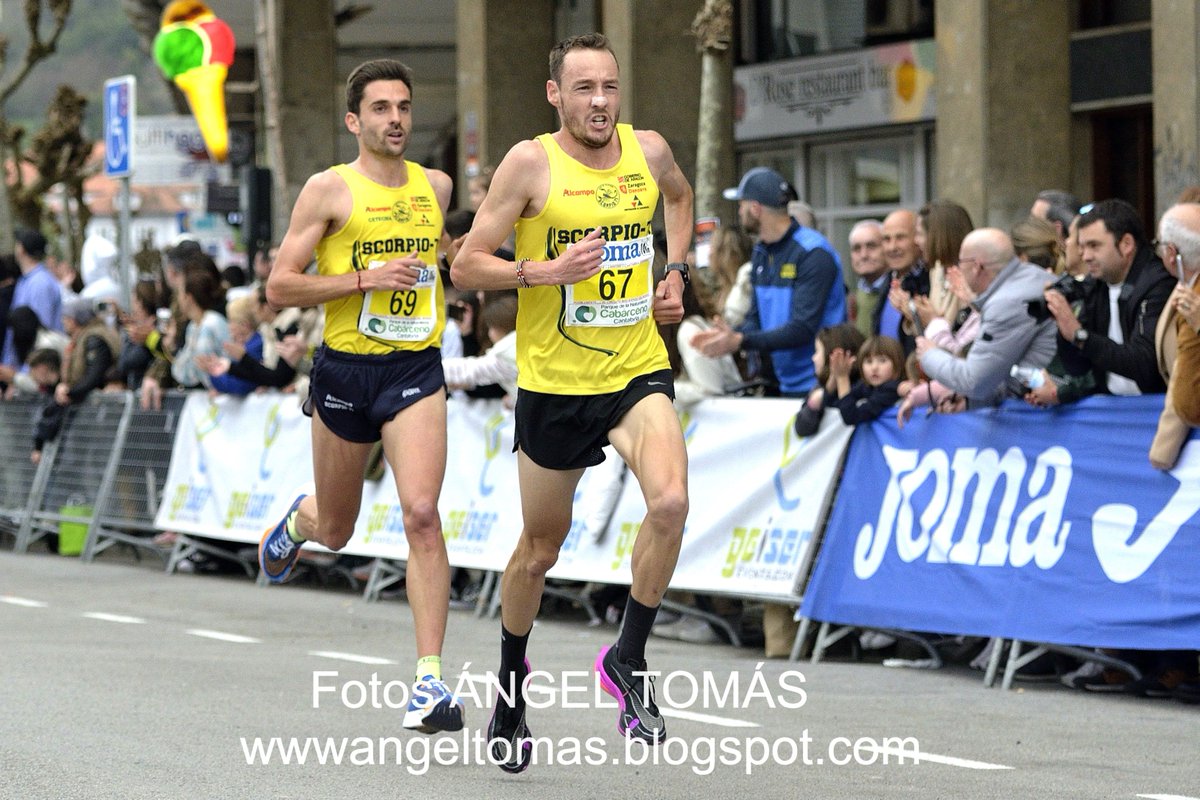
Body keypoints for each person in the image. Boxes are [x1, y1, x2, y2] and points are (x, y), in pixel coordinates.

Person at [451, 32, 692, 769]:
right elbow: (466, 266)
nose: (600, 102)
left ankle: (628, 658)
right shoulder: (530, 164)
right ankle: (510, 689)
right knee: (539, 552)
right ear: (555, 94)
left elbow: (680, 197)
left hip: (635, 367)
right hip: (555, 384)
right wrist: (544, 272)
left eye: (609, 87)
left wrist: (676, 274)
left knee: (671, 503)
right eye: (584, 88)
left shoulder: (648, 151)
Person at [258, 58, 463, 735]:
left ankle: (429, 681)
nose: (395, 119)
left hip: (415, 368)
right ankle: (300, 522)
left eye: (403, 106)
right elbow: (280, 287)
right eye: (380, 108)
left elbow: (443, 260)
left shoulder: (436, 186)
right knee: (338, 531)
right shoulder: (329, 190)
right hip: (345, 372)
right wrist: (362, 280)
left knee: (422, 514)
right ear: (354, 120)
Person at [692, 166, 845, 396]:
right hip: (782, 381)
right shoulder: (761, 252)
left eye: (741, 205)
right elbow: (755, 318)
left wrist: (740, 340)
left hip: (819, 382)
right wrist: (729, 334)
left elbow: (802, 328)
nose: (739, 211)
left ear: (755, 209)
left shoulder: (813, 252)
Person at [1046, 199, 1175, 400]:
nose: (1086, 256)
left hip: (1155, 406)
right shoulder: (1097, 285)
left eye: (1094, 246)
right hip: (1111, 405)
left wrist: (1079, 336)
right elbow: (1078, 368)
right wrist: (1065, 329)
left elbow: (1144, 363)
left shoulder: (1158, 283)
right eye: (1082, 247)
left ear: (1126, 244)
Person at [915, 228, 1056, 408]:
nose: (959, 268)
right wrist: (970, 402)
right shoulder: (1031, 277)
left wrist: (929, 355)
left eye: (961, 262)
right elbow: (1007, 374)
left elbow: (974, 382)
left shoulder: (1005, 303)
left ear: (977, 266)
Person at [2, 228, 63, 369]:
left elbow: (39, 334)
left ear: (21, 249)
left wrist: (25, 373)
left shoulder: (40, 283)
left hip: (34, 369)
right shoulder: (26, 281)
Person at [847, 220, 888, 338]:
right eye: (857, 248)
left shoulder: (898, 293)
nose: (864, 255)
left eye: (871, 246)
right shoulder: (852, 299)